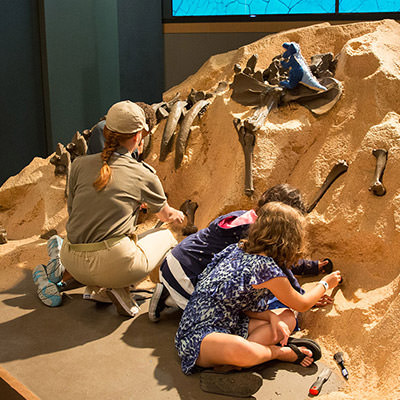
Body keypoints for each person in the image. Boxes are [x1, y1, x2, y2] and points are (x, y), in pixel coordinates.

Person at [33, 100, 184, 317]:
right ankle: (150, 291)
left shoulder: (78, 165)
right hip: (114, 265)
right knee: (167, 235)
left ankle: (101, 288)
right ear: (138, 136)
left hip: (72, 259)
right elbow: (166, 214)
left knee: (117, 242)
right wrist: (180, 216)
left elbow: (73, 211)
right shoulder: (144, 174)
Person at [175, 202, 341, 397]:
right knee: (240, 348)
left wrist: (271, 317)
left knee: (287, 319)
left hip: (230, 322)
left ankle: (237, 364)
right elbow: (302, 304)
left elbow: (237, 304)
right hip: (199, 335)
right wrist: (325, 284)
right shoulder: (265, 268)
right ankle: (278, 353)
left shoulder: (240, 248)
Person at [149, 183, 333, 322]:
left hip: (176, 261)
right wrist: (300, 294)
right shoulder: (252, 234)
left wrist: (310, 267)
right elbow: (279, 266)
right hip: (187, 276)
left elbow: (279, 257)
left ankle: (171, 293)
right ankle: (172, 300)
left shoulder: (246, 218)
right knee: (238, 314)